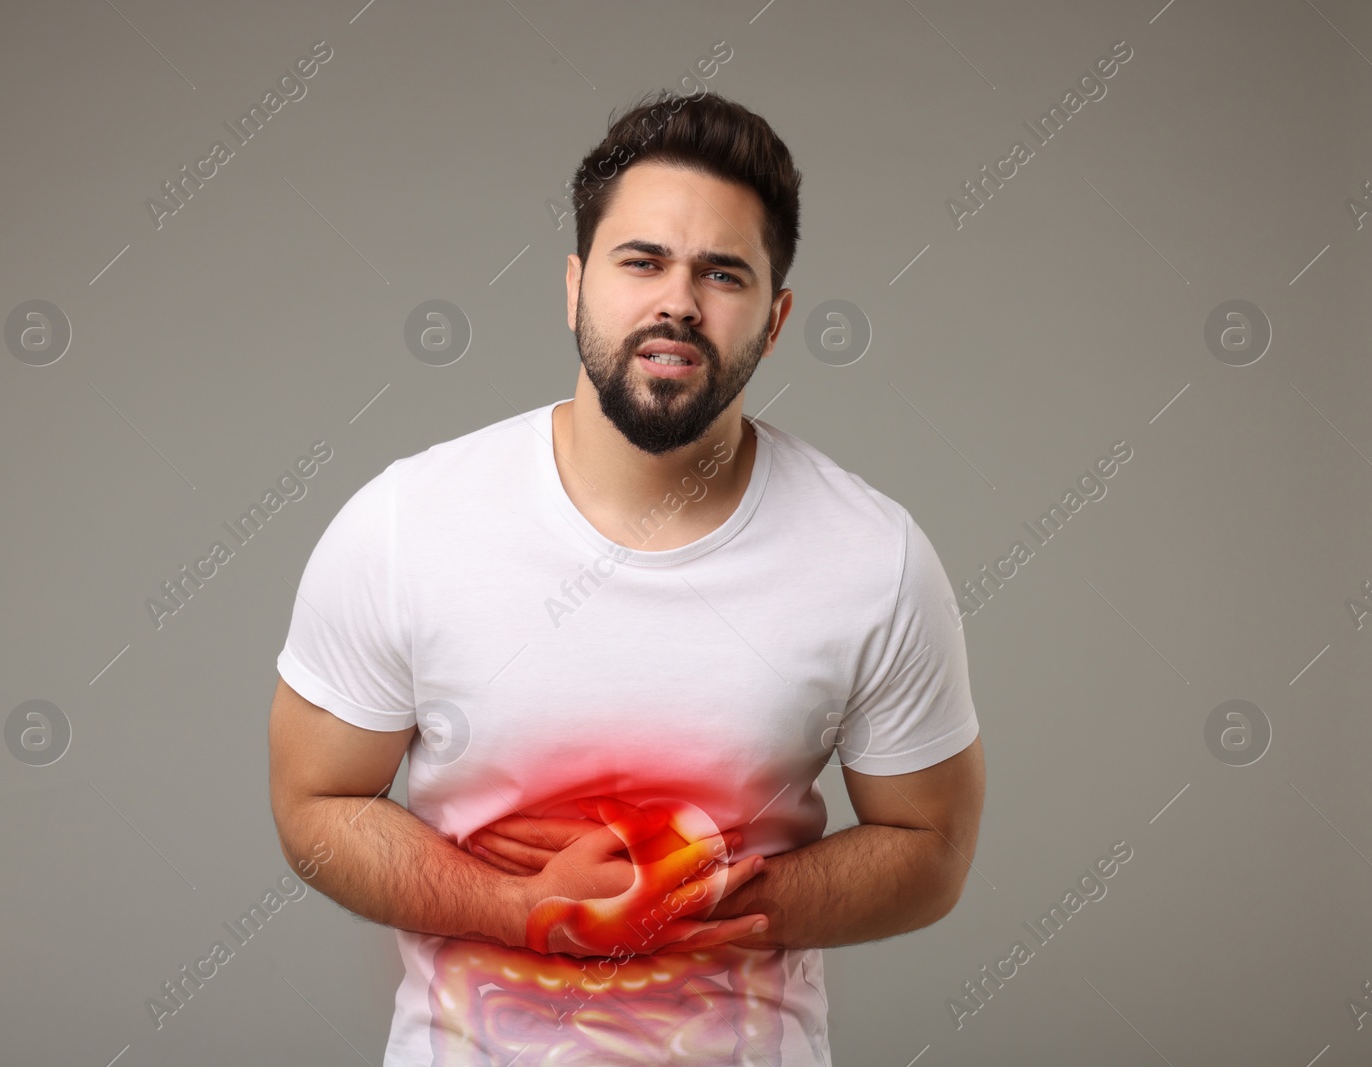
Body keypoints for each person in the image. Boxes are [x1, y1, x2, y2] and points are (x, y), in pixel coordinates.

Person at [268, 87, 985, 1067]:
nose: (677, 301)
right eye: (641, 259)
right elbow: (312, 804)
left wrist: (710, 897)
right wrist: (520, 907)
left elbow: (932, 845)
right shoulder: (407, 525)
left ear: (773, 321)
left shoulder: (873, 557)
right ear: (573, 286)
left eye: (721, 272)